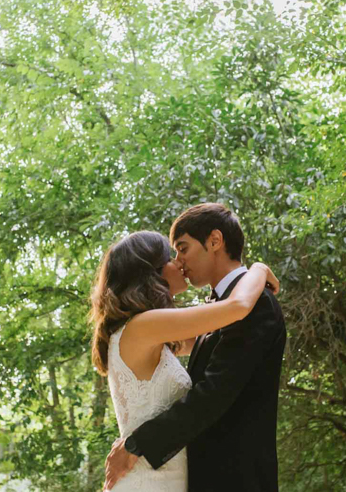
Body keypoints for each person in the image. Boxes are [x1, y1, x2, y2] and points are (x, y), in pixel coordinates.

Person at [96, 203, 287, 491]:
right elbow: (235, 308)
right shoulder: (151, 325)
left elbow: (213, 394)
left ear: (214, 241)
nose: (179, 262)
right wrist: (258, 270)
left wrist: (138, 443)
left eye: (182, 248)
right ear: (151, 272)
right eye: (172, 255)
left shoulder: (256, 306)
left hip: (237, 480)